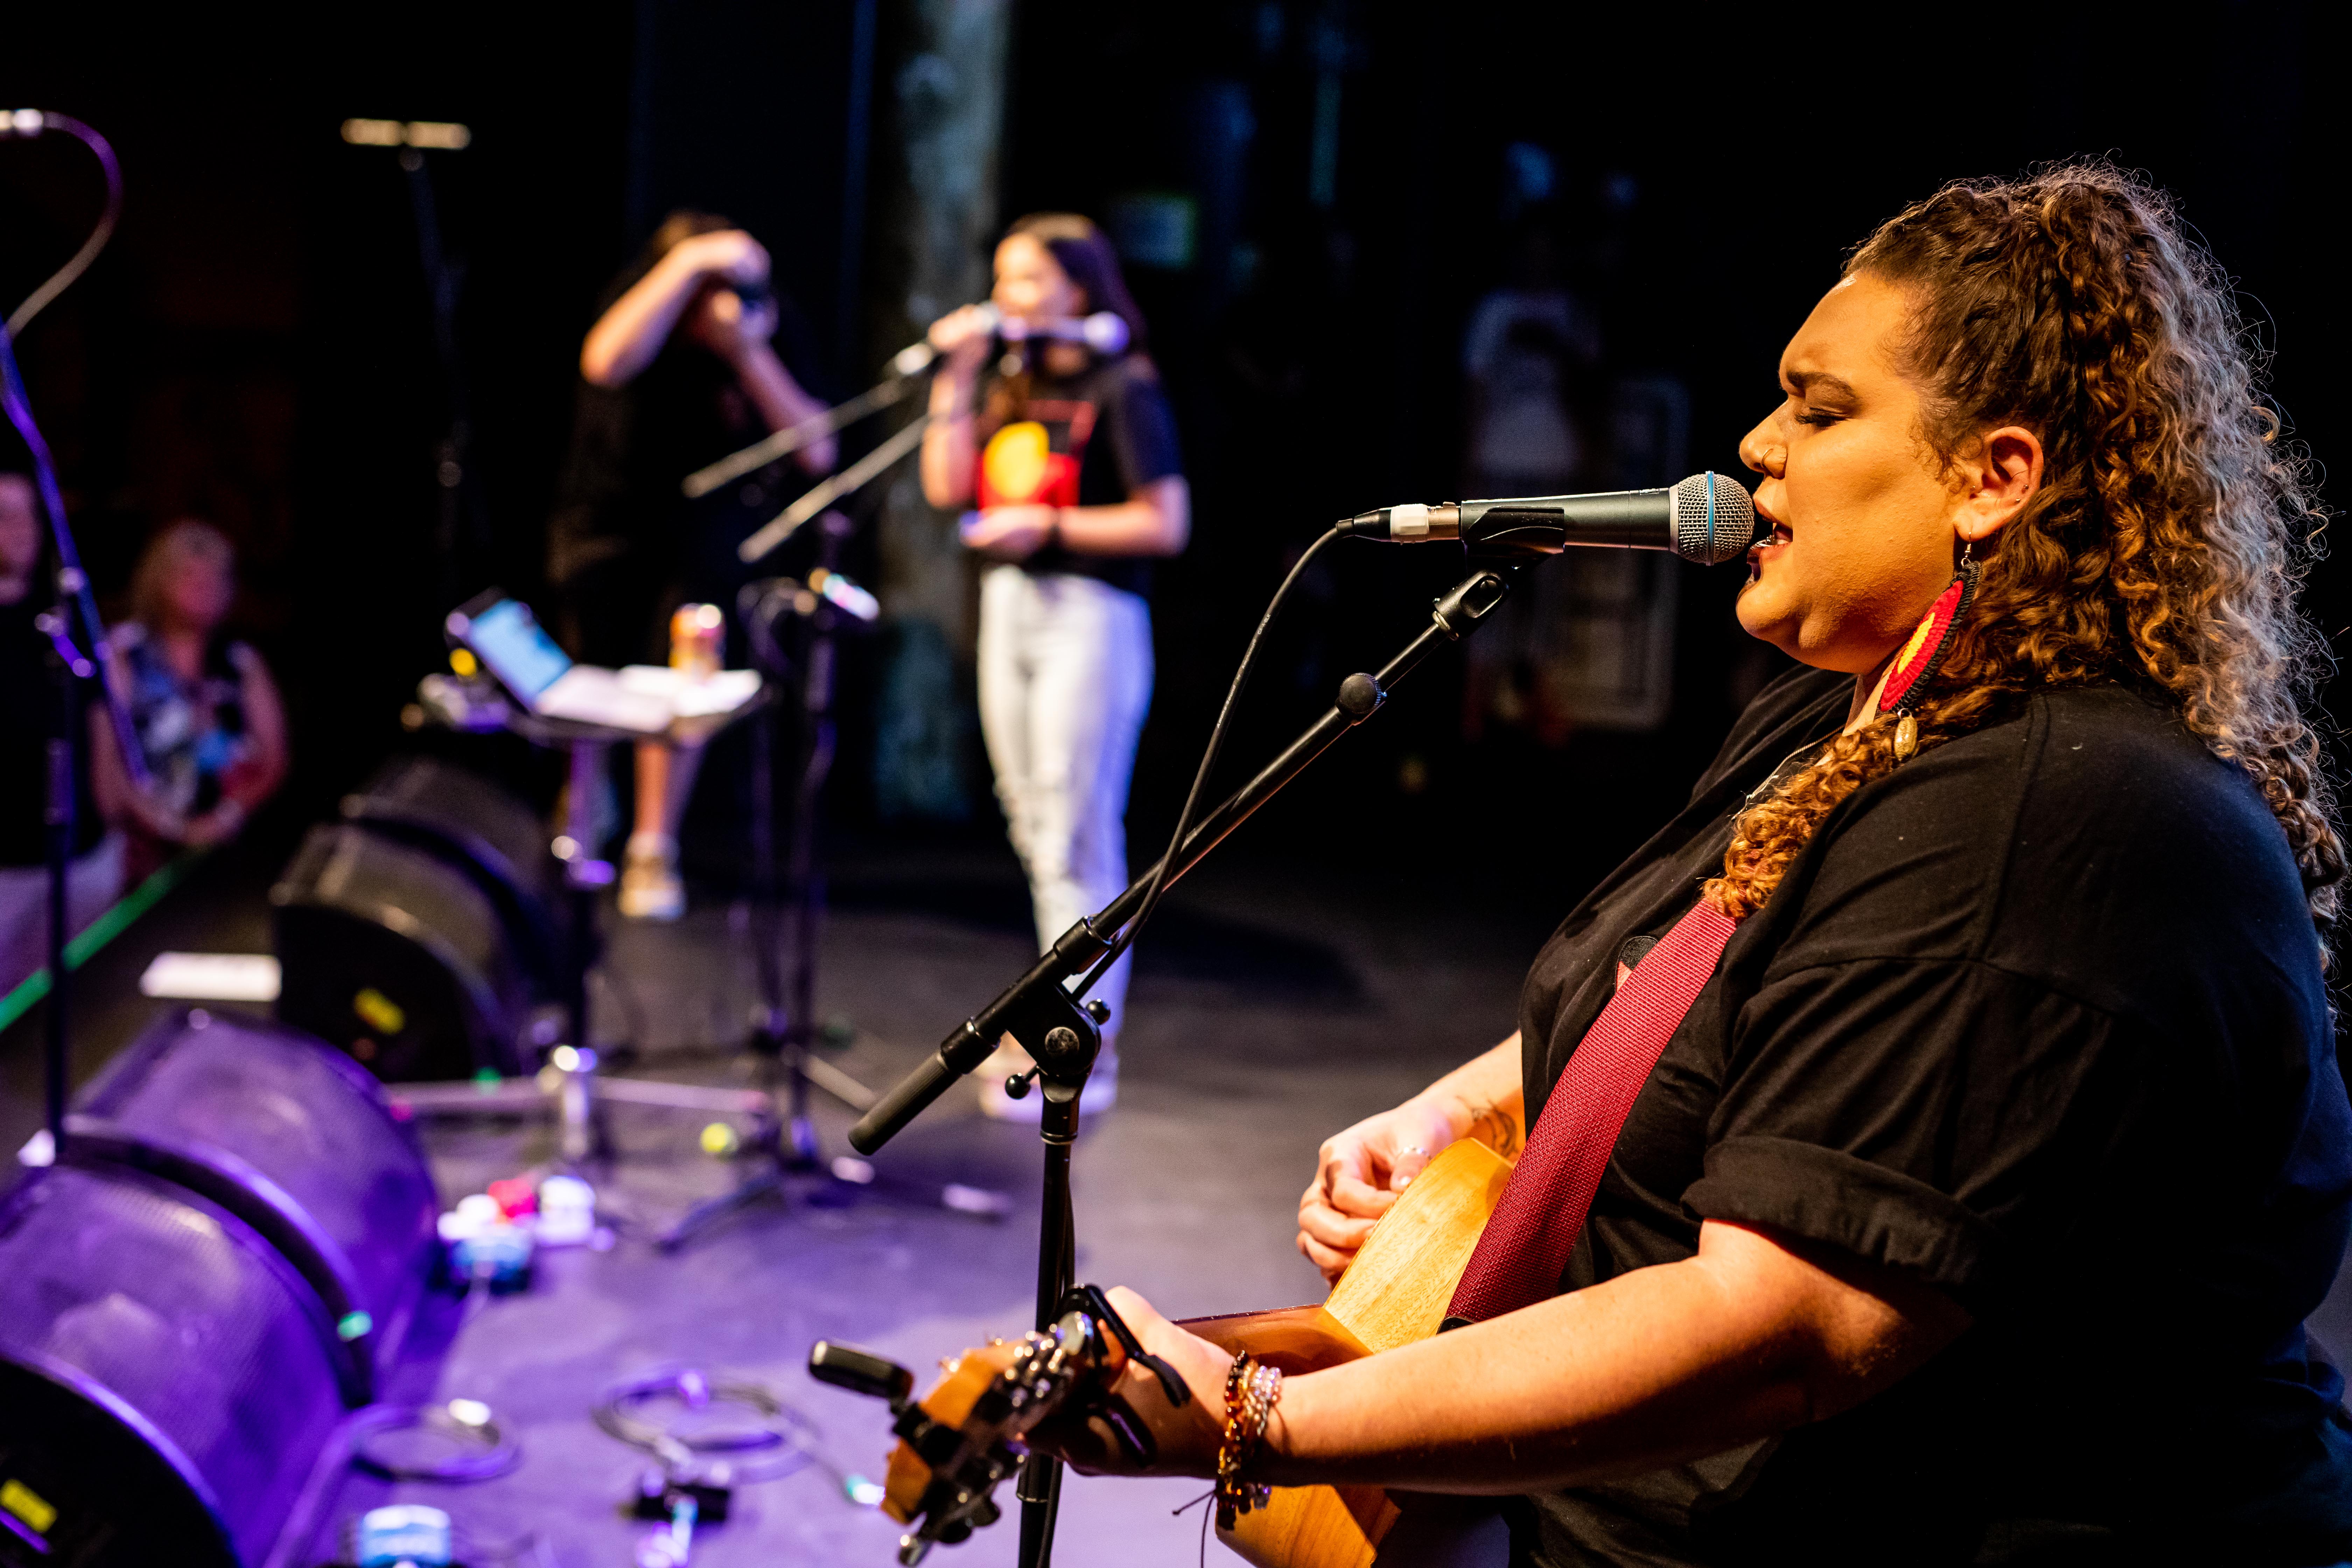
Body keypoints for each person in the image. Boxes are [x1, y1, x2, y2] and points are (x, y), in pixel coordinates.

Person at [1030, 165, 2352, 1563]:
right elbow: (1695, 995)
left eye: (1819, 408)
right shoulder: (1853, 720)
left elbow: (1778, 1327)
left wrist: (1261, 1417)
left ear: (1993, 477)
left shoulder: (2046, 819)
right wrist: (1459, 1113)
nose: (1755, 445)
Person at [920, 214, 1189, 1120]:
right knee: (1033, 822)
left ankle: (1079, 1044)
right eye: (1002, 281)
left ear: (1078, 291)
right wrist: (956, 376)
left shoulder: (1124, 387)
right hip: (1012, 605)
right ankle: (1061, 1025)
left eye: (1027, 282)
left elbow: (1166, 522)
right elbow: (947, 486)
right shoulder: (1009, 382)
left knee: (1078, 829)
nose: (1009, 300)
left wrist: (1054, 528)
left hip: (1093, 613)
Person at [549, 210, 836, 920]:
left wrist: (747, 354)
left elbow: (816, 450)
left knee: (678, 685)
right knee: (593, 670)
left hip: (702, 539)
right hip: (609, 523)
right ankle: (585, 810)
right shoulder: (642, 305)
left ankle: (654, 845)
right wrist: (688, 267)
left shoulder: (766, 325)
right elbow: (605, 362)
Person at [92, 519, 287, 881]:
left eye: (216, 580)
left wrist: (224, 818)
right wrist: (163, 826)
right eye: (192, 578)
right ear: (161, 581)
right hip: (140, 850)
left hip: (225, 849)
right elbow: (108, 759)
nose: (205, 590)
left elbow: (274, 758)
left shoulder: (238, 661)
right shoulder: (124, 651)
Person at [0, 465, 125, 997]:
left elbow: (98, 718)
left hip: (80, 858)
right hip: (5, 869)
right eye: (5, 518)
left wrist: (116, 819)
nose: (22, 530)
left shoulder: (64, 612)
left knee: (68, 1014)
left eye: (30, 516)